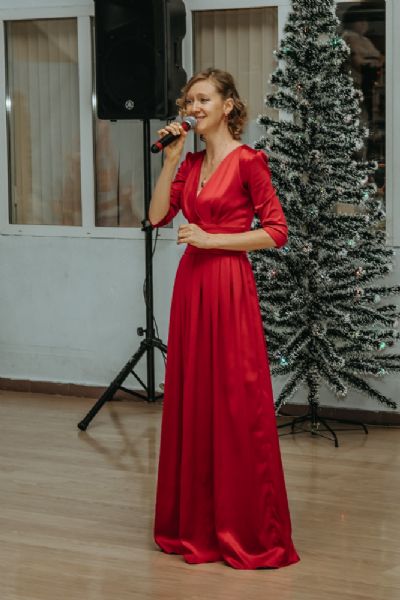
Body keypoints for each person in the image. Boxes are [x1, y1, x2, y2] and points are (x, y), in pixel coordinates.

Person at [148, 68, 300, 570]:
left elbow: (276, 231)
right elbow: (156, 217)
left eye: (203, 100)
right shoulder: (190, 163)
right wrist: (170, 161)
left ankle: (245, 527)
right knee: (194, 401)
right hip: (192, 288)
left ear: (228, 106)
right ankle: (195, 524)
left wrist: (214, 240)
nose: (193, 108)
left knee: (234, 403)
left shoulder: (250, 162)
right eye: (188, 101)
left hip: (229, 286)